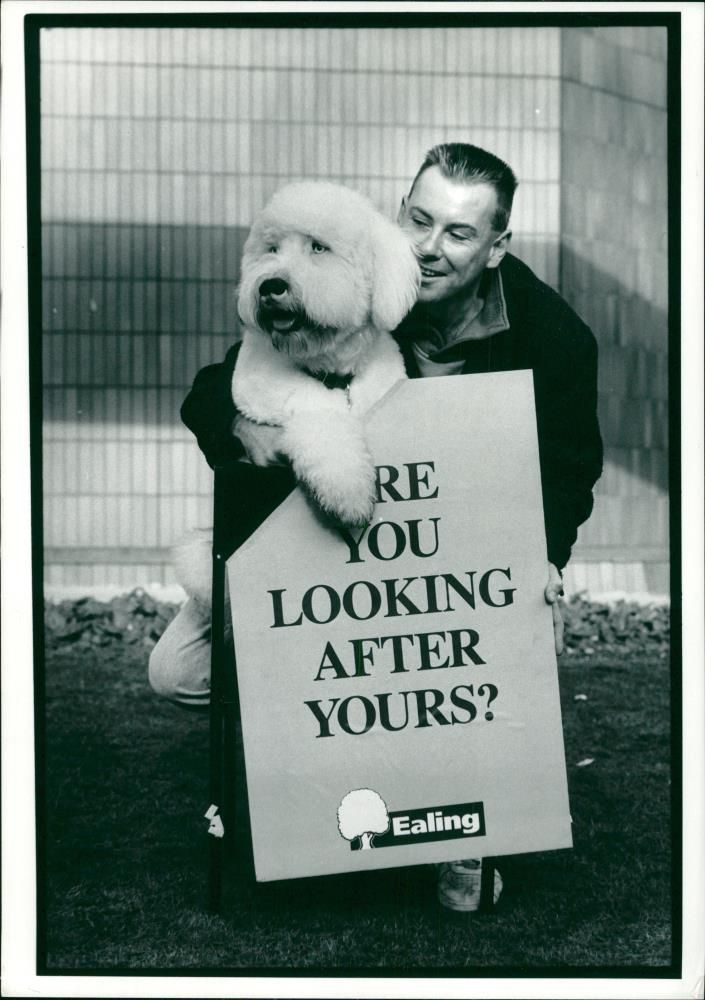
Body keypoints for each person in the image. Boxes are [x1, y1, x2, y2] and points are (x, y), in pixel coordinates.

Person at [149, 142, 603, 911]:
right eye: (417, 219)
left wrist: (545, 557)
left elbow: (568, 465)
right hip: (323, 548)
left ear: (497, 246)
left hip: (451, 565)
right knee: (177, 672)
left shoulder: (552, 337)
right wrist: (236, 424)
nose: (428, 247)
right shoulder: (353, 280)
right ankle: (306, 782)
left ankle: (455, 838)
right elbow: (220, 380)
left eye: (457, 233)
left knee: (470, 674)